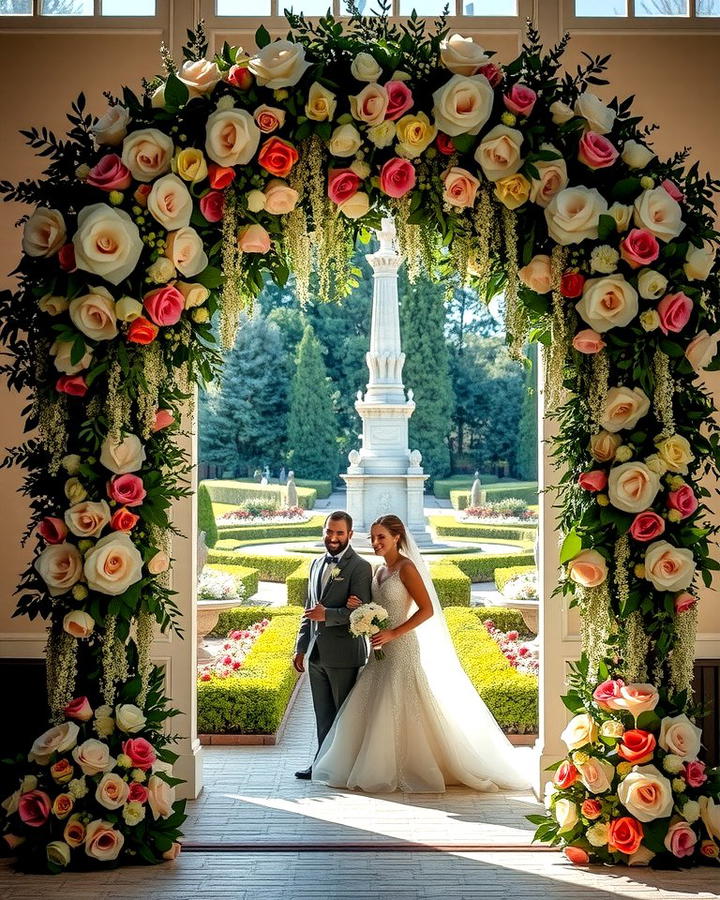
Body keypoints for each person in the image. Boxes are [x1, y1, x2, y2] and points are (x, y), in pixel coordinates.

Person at [312, 515, 532, 793]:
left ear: (397, 538)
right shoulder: (379, 571)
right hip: (379, 648)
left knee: (404, 699)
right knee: (376, 702)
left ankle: (415, 765)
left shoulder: (406, 567)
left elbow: (426, 609)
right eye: (372, 537)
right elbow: (377, 608)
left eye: (381, 537)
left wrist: (394, 633)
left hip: (401, 646)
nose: (375, 542)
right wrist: (360, 607)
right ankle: (378, 762)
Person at [292, 511, 373, 780]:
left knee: (343, 717)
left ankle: (347, 768)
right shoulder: (315, 563)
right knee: (323, 715)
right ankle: (321, 765)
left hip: (345, 654)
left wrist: (328, 614)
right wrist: (300, 647)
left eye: (339, 533)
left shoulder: (360, 567)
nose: (333, 538)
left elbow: (363, 613)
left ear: (350, 535)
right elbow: (308, 609)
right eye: (329, 531)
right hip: (316, 653)